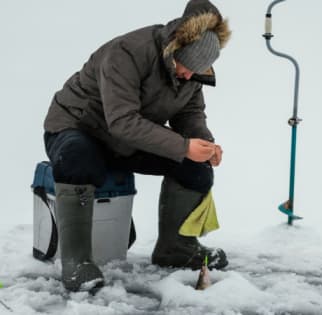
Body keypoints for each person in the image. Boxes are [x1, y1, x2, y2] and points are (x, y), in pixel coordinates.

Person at [42, 0, 231, 292]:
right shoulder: (128, 53)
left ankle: (176, 248)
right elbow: (122, 122)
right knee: (78, 159)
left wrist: (204, 143)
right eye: (187, 67)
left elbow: (190, 114)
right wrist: (182, 145)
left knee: (196, 166)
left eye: (198, 70)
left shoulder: (190, 74)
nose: (190, 76)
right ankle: (77, 261)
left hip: (128, 142)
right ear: (175, 49)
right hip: (78, 128)